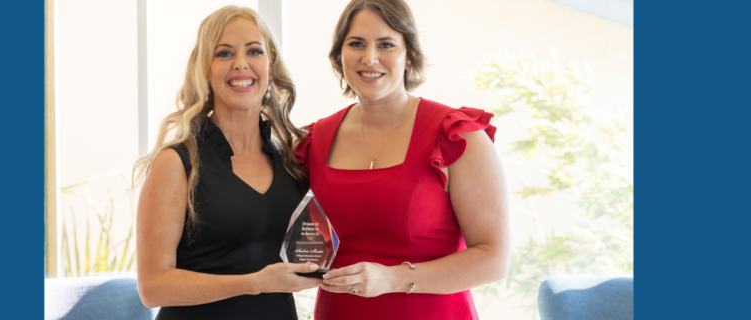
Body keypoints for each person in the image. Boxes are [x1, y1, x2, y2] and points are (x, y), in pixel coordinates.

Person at [295, 0, 511, 319]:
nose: (370, 58)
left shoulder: (456, 137)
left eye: (386, 44)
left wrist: (394, 278)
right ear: (340, 56)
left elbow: (494, 259)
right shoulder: (312, 142)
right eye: (356, 44)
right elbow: (304, 245)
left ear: (408, 55)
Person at [132, 6, 321, 320]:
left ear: (270, 65)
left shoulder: (290, 161)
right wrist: (254, 283)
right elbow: (153, 287)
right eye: (224, 53)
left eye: (254, 51)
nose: (241, 64)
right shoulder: (176, 163)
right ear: (205, 69)